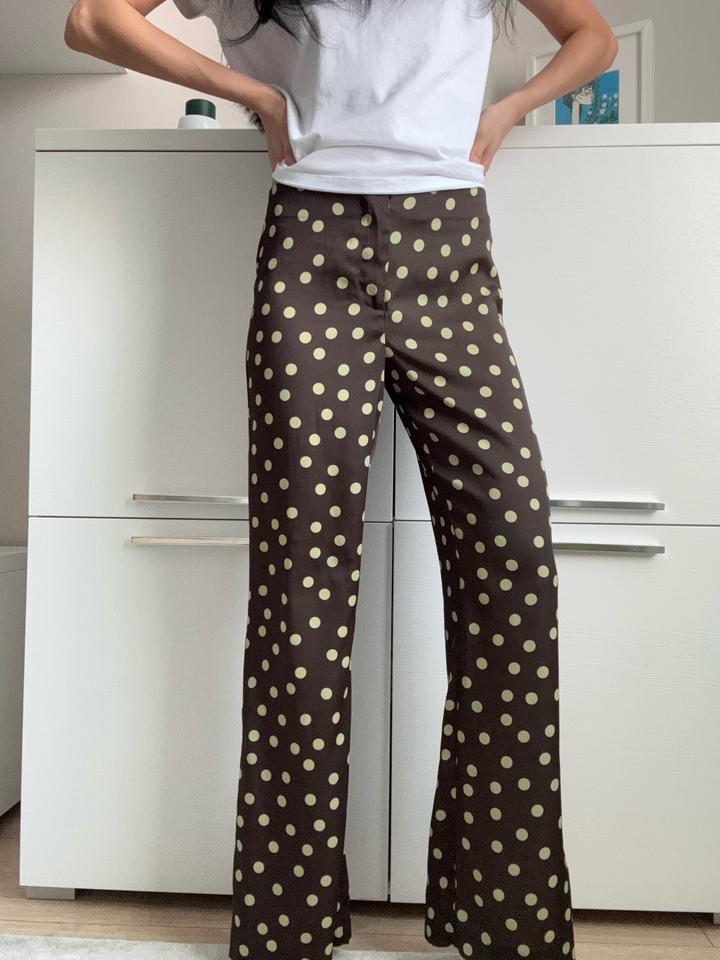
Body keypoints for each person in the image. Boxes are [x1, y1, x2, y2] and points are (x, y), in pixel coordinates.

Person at [65, 2, 618, 959]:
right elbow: (90, 19)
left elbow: (594, 36)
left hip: (451, 245)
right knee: (301, 597)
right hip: (311, 243)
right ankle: (288, 930)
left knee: (516, 564)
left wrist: (509, 108)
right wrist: (249, 91)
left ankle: (505, 920)